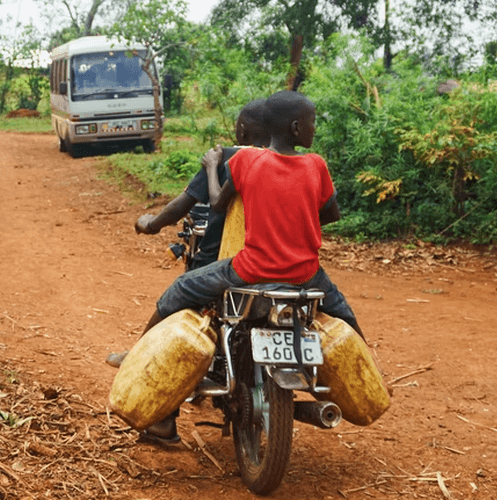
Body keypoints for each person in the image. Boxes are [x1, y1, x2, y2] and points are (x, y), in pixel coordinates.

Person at [129, 90, 363, 445]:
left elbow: (217, 203)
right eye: (313, 124)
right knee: (344, 316)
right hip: (304, 273)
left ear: (243, 131)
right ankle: (364, 374)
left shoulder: (240, 163)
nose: (314, 129)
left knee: (178, 293)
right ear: (298, 128)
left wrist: (211, 167)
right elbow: (331, 214)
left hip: (249, 270)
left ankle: (141, 368)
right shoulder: (316, 165)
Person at [104, 99, 270, 369]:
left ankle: (137, 356)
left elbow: (183, 205)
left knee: (178, 298)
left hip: (225, 261)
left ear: (242, 130)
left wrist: (151, 224)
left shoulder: (228, 157)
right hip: (279, 262)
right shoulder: (292, 161)